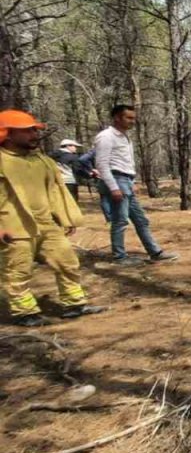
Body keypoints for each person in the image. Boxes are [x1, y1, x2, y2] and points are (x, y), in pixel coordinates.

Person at [0, 110, 108, 326]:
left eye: (34, 130)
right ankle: (25, 312)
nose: (34, 134)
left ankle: (74, 304)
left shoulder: (42, 160)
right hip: (13, 227)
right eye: (27, 130)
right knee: (17, 270)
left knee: (67, 261)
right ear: (8, 134)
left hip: (46, 225)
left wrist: (65, 217)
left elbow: (56, 191)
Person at [93, 104, 177, 266]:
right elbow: (102, 164)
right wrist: (114, 187)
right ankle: (119, 257)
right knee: (120, 220)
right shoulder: (106, 136)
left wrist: (131, 182)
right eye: (129, 118)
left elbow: (125, 162)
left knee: (141, 220)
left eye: (134, 118)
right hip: (116, 180)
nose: (133, 121)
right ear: (117, 117)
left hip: (125, 181)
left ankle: (155, 252)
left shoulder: (124, 137)